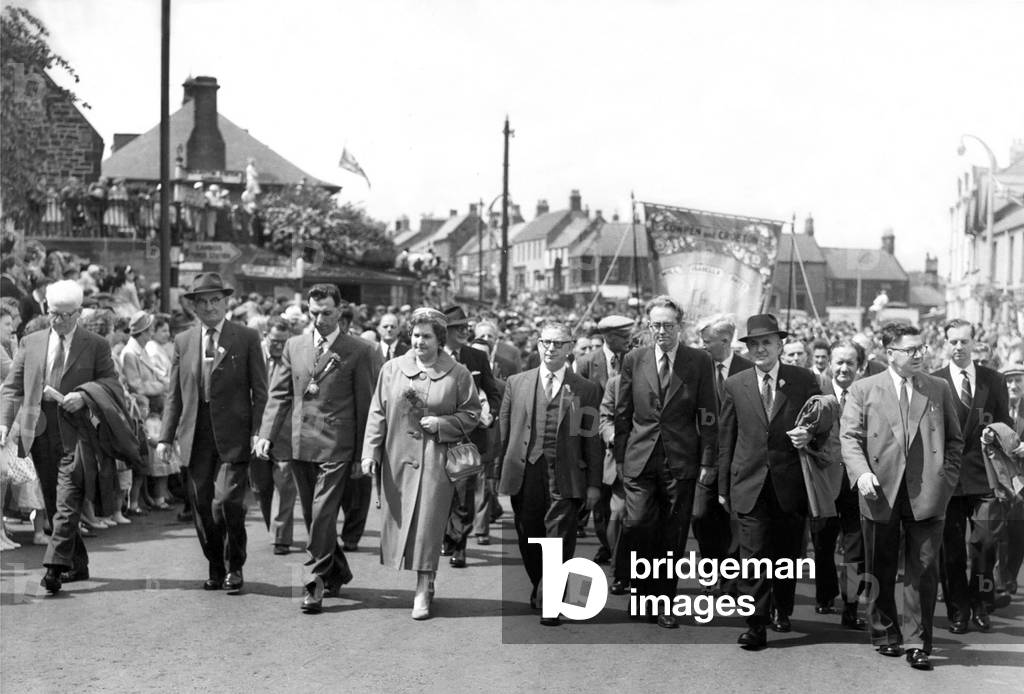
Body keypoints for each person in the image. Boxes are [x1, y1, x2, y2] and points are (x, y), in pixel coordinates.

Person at [840, 322, 963, 671]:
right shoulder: (864, 389)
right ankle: (883, 632)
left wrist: (946, 479)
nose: (919, 354)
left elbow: (955, 440)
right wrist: (862, 472)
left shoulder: (937, 388)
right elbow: (849, 437)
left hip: (927, 492)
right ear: (889, 353)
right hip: (880, 490)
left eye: (921, 348)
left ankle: (917, 642)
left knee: (923, 570)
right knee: (880, 565)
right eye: (910, 349)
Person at [256, 284, 380, 614]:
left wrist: (362, 453)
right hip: (300, 444)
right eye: (313, 312)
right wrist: (267, 433)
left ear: (339, 311)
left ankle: (315, 584)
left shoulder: (359, 350)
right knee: (313, 519)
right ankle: (338, 569)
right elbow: (279, 394)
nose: (319, 319)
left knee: (323, 515)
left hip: (337, 446)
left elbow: (366, 404)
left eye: (326, 312)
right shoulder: (295, 346)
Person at [0, 280, 123, 593]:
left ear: (79, 313)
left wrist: (83, 396)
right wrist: (3, 423)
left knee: (68, 497)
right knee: (56, 502)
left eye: (68, 315)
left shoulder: (95, 344)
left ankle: (54, 568)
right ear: (46, 310)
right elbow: (13, 388)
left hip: (78, 429)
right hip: (39, 431)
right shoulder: (30, 342)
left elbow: (112, 384)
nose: (61, 321)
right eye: (55, 314)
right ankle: (78, 564)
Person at [360, 307, 481, 619]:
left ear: (439, 340)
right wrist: (369, 453)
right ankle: (425, 579)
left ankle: (423, 586)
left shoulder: (458, 373)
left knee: (428, 525)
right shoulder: (391, 369)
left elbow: (472, 414)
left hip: (436, 461)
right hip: (397, 457)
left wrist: (442, 423)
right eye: (415, 335)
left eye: (426, 336)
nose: (419, 341)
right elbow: (377, 411)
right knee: (401, 522)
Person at [717, 313, 822, 648]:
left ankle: (782, 608)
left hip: (791, 483)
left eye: (766, 342)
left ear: (780, 345)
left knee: (787, 554)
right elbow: (726, 438)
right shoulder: (735, 383)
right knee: (754, 556)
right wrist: (723, 487)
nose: (760, 349)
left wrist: (811, 435)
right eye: (754, 344)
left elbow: (823, 424)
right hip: (749, 483)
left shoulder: (803, 379)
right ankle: (756, 623)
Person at [158, 272, 268, 595]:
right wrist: (165, 437)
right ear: (193, 307)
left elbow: (260, 392)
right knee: (203, 507)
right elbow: (174, 394)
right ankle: (215, 566)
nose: (210, 307)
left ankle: (235, 566)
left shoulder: (246, 337)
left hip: (234, 435)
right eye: (202, 302)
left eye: (215, 300)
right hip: (196, 434)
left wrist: (258, 432)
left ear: (226, 302)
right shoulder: (183, 341)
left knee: (227, 503)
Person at [614, 295, 718, 629]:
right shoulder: (634, 359)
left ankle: (663, 602)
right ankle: (642, 594)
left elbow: (709, 413)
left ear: (680, 327)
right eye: (656, 325)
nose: (662, 331)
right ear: (648, 326)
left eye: (668, 325)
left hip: (681, 460)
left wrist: (707, 460)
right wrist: (620, 458)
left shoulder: (698, 362)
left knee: (673, 535)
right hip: (640, 458)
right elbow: (622, 413)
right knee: (639, 525)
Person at [499, 320, 603, 625]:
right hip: (526, 471)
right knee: (529, 533)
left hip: (567, 473)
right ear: (537, 345)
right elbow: (505, 433)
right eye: (546, 342)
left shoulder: (585, 389)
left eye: (558, 343)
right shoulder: (517, 383)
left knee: (559, 536)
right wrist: (497, 473)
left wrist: (594, 484)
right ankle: (540, 584)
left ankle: (552, 598)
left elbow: (591, 438)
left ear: (570, 348)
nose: (551, 349)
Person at [932, 319, 1010, 633]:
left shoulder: (994, 380)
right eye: (953, 341)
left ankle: (981, 602)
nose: (959, 347)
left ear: (974, 343)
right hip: (948, 480)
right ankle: (958, 610)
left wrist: (997, 434)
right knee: (950, 550)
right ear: (945, 343)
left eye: (964, 341)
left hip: (984, 477)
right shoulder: (933, 381)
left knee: (986, 543)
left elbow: (1004, 423)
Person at [694, 314, 753, 596]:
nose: (701, 346)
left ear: (726, 341)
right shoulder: (697, 367)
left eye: (707, 342)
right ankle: (710, 568)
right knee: (702, 516)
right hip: (705, 460)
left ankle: (730, 579)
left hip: (738, 459)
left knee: (735, 521)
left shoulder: (748, 370)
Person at [810, 339, 867, 629]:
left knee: (856, 547)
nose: (844, 368)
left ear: (860, 367)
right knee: (822, 542)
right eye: (839, 362)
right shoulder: (815, 393)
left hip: (858, 483)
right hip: (824, 480)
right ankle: (825, 593)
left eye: (850, 363)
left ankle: (851, 604)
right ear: (830, 364)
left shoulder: (868, 395)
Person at [439, 305, 500, 568]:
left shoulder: (476, 357)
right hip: (437, 436)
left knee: (464, 495)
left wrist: (492, 413)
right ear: (445, 331)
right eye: (458, 328)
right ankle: (445, 536)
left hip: (467, 437)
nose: (465, 331)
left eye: (467, 327)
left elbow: (493, 391)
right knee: (440, 492)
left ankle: (460, 545)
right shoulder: (434, 355)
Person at [575, 314, 633, 565]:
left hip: (627, 443)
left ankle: (618, 550)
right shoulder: (587, 363)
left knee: (621, 507)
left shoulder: (634, 360)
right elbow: (580, 407)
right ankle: (606, 544)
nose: (628, 341)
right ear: (609, 338)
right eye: (623, 337)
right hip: (596, 442)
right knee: (600, 503)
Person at [249, 317, 299, 555]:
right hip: (256, 428)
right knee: (259, 486)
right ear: (265, 335)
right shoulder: (254, 356)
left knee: (285, 482)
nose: (279, 346)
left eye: (283, 341)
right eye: (274, 341)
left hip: (285, 429)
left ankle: (280, 537)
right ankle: (273, 525)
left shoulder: (293, 358)